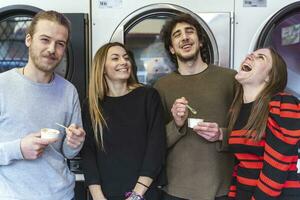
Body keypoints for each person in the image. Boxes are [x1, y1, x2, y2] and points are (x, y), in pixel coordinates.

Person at [0, 11, 86, 200]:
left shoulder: (69, 91)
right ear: (29, 39)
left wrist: (75, 143)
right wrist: (19, 149)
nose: (52, 49)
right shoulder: (2, 85)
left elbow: (68, 153)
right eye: (45, 40)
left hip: (61, 195)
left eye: (60, 44)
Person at [153, 13, 236, 200]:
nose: (184, 37)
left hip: (222, 190)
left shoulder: (230, 79)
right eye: (177, 35)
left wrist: (222, 134)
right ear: (172, 49)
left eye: (189, 31)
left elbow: (249, 133)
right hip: (175, 191)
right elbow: (156, 144)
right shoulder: (161, 87)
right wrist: (177, 123)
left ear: (200, 42)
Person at [81, 42, 166, 200]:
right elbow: (88, 153)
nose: (123, 62)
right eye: (115, 58)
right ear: (102, 67)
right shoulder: (91, 105)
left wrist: (136, 195)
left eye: (126, 58)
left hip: (144, 193)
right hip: (105, 194)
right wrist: (98, 196)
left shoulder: (148, 96)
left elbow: (156, 149)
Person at [227, 48, 300, 200]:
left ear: (269, 76)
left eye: (260, 57)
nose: (249, 56)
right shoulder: (238, 109)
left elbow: (277, 168)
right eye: (251, 54)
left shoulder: (283, 104)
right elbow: (240, 164)